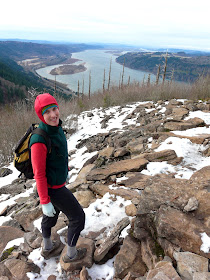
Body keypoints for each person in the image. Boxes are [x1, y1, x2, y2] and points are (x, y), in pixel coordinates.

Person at [30, 93, 86, 262]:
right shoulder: (39, 139)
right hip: (52, 189)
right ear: (41, 115)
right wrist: (44, 201)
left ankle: (47, 247)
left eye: (55, 109)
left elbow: (58, 154)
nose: (53, 114)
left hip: (56, 182)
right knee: (78, 217)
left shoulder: (56, 128)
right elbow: (38, 174)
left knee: (52, 216)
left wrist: (65, 169)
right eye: (47, 112)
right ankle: (71, 255)